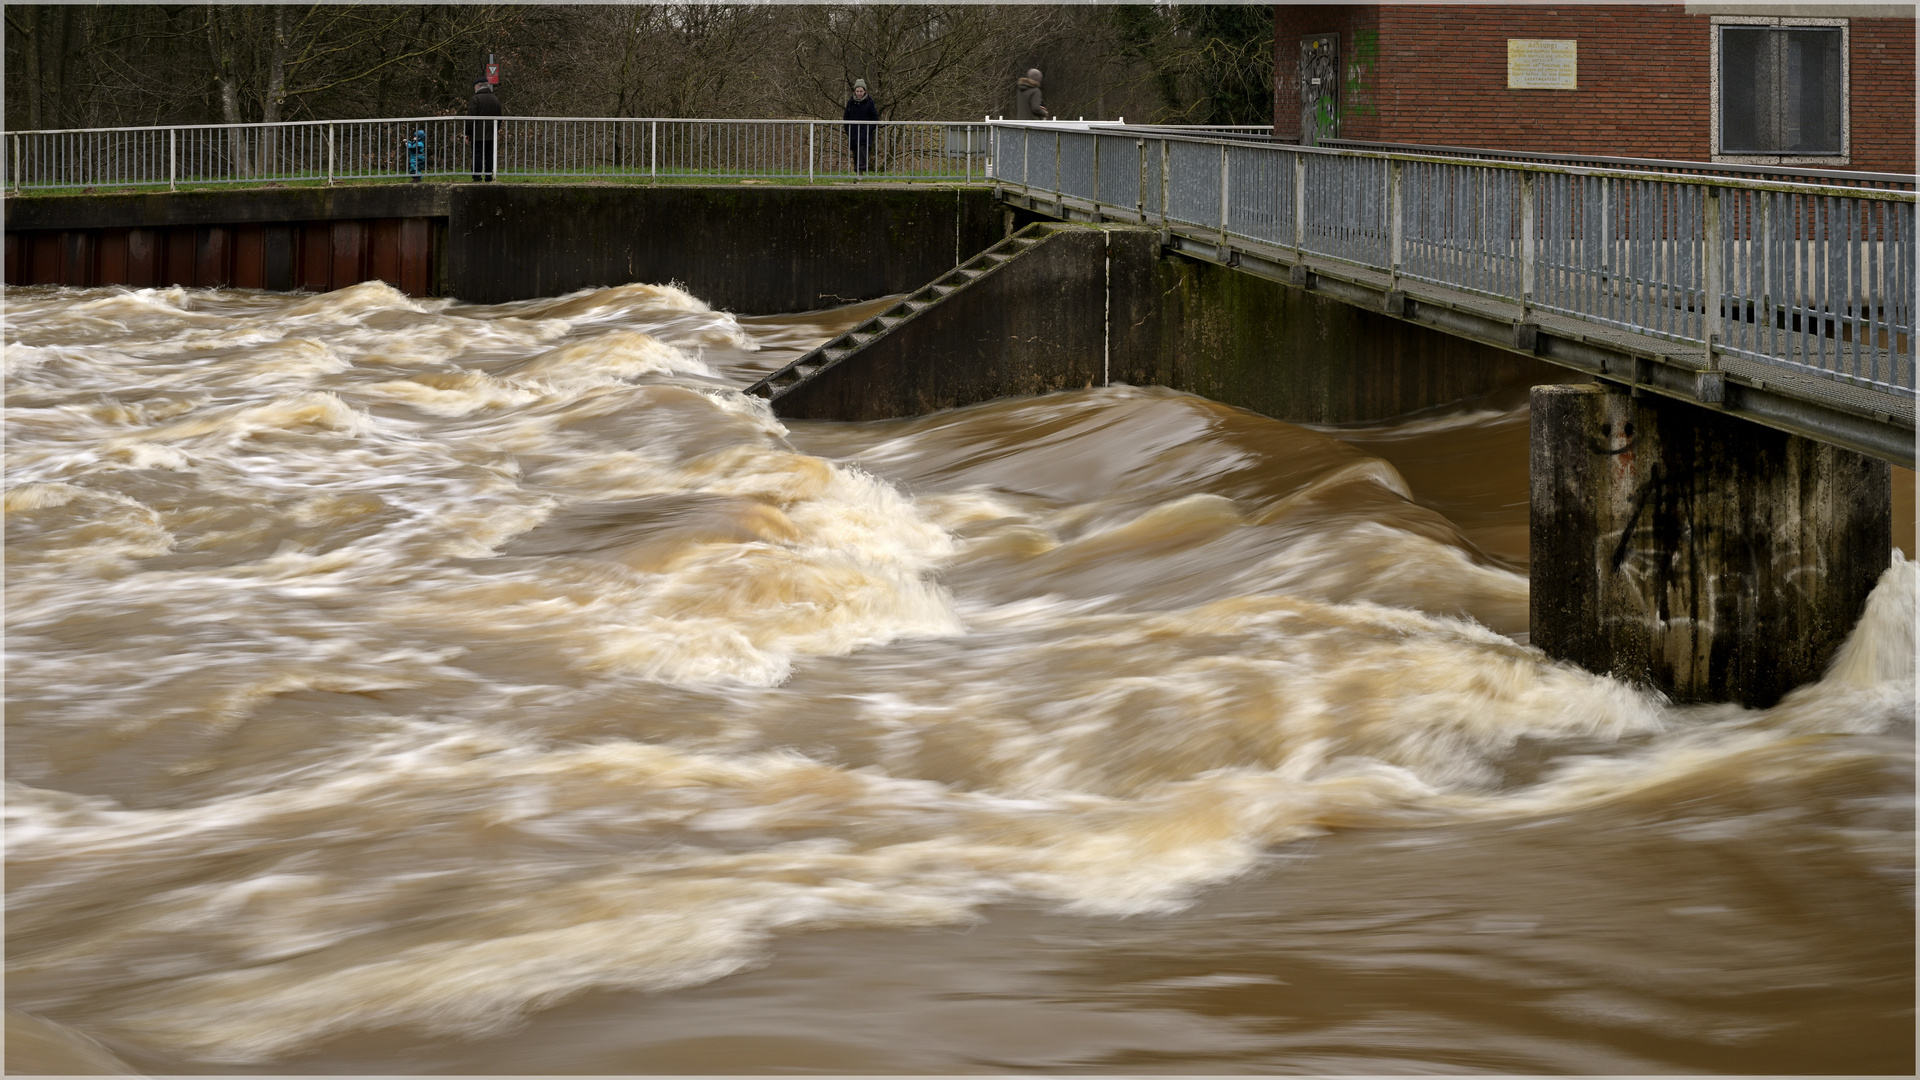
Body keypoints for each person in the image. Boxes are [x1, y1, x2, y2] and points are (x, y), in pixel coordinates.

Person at [842, 78, 879, 175]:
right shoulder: (851, 102)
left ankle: (860, 171)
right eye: (857, 91)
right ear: (854, 91)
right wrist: (848, 129)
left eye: (861, 91)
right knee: (855, 152)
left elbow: (875, 117)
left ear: (865, 91)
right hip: (853, 132)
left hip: (864, 132)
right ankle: (858, 170)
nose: (859, 93)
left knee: (862, 150)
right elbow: (846, 117)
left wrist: (868, 129)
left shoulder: (870, 102)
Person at [467, 80, 501, 182]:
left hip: (477, 134)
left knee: (477, 155)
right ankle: (489, 176)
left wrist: (468, 132)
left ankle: (477, 176)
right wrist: (496, 129)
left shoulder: (475, 99)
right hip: (491, 133)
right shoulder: (495, 99)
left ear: (479, 86)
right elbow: (499, 117)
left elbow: (471, 117)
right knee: (489, 155)